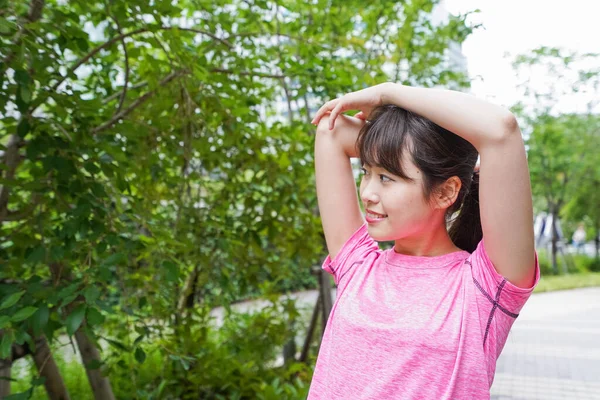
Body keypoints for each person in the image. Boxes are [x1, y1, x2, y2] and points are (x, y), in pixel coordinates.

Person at [308, 83, 540, 399]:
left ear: (445, 191)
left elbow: (500, 130)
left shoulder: (483, 288)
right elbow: (331, 131)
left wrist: (387, 94)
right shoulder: (358, 266)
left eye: (387, 178)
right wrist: (393, 127)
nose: (367, 193)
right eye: (366, 172)